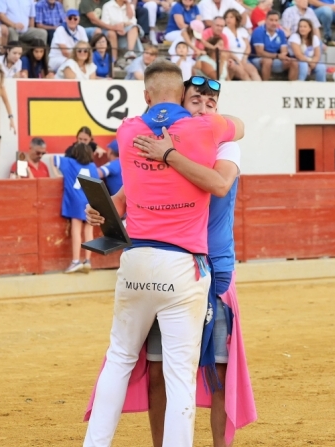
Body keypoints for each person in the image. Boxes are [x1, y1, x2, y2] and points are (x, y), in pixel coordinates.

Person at [82, 61, 244, 447]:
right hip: (185, 267)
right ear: (182, 101)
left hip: (146, 263)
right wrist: (104, 210)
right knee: (175, 373)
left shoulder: (130, 130)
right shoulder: (206, 130)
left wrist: (169, 150)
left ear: (148, 96)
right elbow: (121, 201)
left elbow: (220, 181)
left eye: (211, 102)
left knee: (124, 359)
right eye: (196, 100)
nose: (204, 108)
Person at [51, 142, 104, 274]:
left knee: (76, 230)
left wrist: (56, 173)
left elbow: (53, 158)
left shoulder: (69, 162)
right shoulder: (93, 167)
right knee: (89, 231)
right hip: (91, 200)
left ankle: (75, 261)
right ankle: (87, 260)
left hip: (75, 201)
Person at [250, 10, 298, 80]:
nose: (274, 23)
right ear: (266, 20)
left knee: (294, 62)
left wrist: (284, 57)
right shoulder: (258, 31)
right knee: (268, 61)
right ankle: (265, 87)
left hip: (275, 59)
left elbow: (283, 51)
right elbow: (259, 53)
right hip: (256, 59)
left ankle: (292, 88)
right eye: (271, 20)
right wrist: (277, 56)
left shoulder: (281, 32)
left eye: (276, 20)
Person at [222, 9, 261, 80]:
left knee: (253, 71)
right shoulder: (224, 31)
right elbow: (225, 49)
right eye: (226, 17)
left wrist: (244, 58)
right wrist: (238, 61)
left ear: (236, 19)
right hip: (231, 60)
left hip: (243, 59)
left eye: (231, 17)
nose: (228, 19)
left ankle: (261, 90)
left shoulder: (242, 31)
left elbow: (248, 47)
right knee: (244, 75)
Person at [49, 8, 88, 72]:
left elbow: (86, 47)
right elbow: (65, 52)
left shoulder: (81, 30)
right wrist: (79, 60)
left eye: (75, 19)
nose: (72, 20)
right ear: (66, 19)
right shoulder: (60, 30)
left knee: (89, 64)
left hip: (75, 58)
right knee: (71, 63)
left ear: (79, 20)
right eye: (70, 18)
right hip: (58, 58)